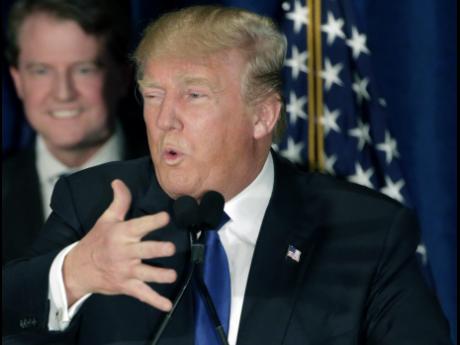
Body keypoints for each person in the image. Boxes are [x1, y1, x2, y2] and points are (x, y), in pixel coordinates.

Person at [2, 5, 452, 345]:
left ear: (262, 117)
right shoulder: (98, 202)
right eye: (153, 95)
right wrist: (73, 274)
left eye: (193, 95)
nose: (164, 121)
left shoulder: (366, 230)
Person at [2, 0, 148, 265]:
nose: (63, 93)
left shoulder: (177, 184)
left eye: (84, 69)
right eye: (41, 70)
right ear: (18, 80)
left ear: (123, 76)